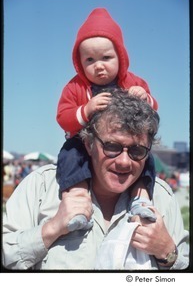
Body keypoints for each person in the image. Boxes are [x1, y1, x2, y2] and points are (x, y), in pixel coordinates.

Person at [3, 90, 188, 270]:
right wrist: (51, 228)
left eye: (137, 151)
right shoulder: (41, 186)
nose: (124, 161)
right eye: (112, 147)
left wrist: (167, 252)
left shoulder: (162, 197)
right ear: (89, 144)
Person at [56, 7, 158, 231]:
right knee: (70, 155)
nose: (99, 65)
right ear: (79, 63)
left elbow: (153, 113)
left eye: (107, 57)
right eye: (90, 60)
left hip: (126, 141)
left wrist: (146, 98)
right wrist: (85, 110)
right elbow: (63, 117)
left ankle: (141, 196)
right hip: (84, 141)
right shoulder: (75, 87)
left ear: (121, 57)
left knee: (144, 156)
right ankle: (78, 198)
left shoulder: (134, 82)